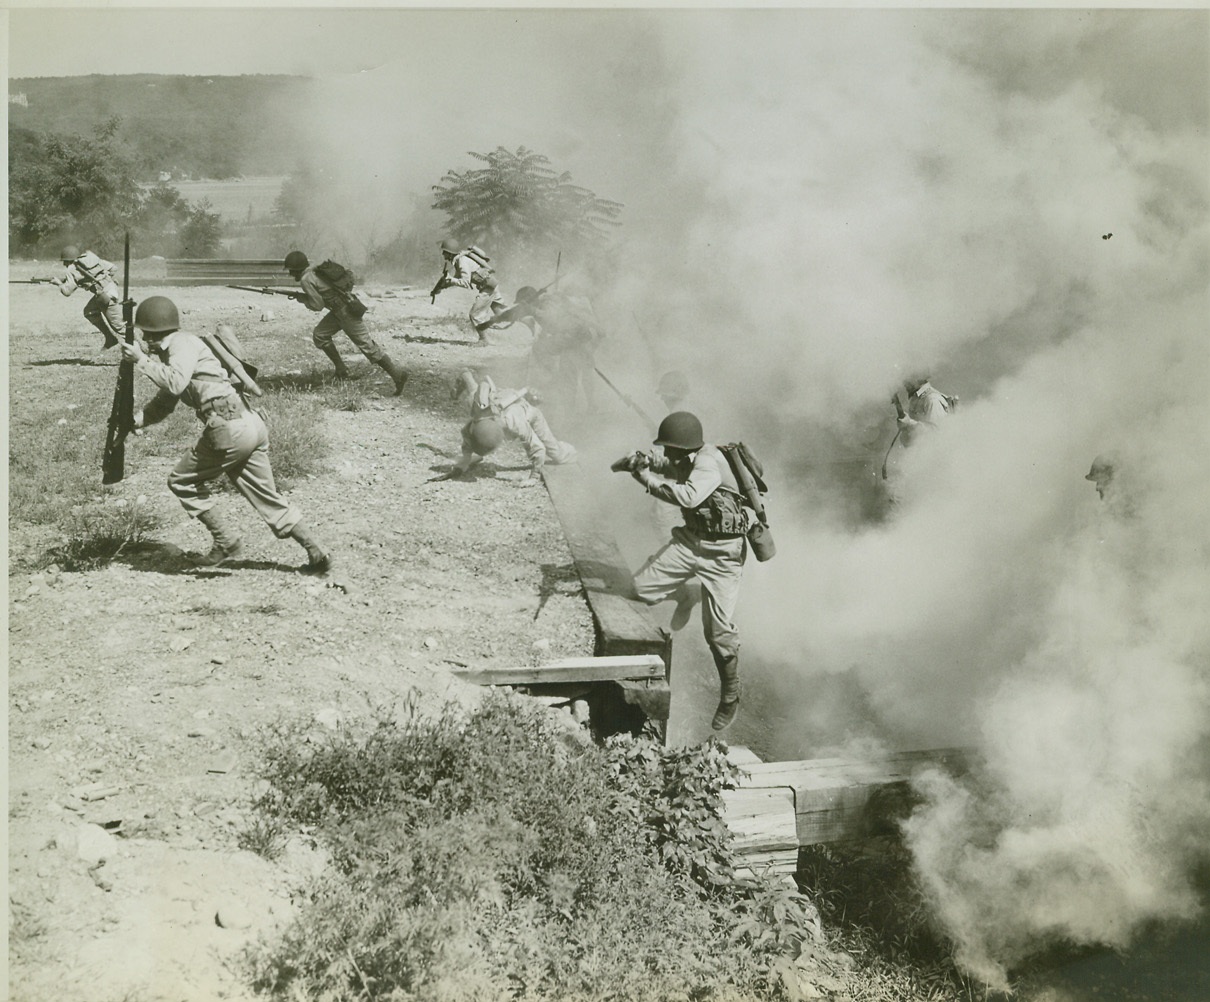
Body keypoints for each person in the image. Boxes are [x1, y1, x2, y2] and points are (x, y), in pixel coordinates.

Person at [119, 295, 331, 572]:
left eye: (147, 336)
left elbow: (174, 383)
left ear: (151, 333)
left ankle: (226, 542)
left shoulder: (180, 345)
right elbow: (166, 401)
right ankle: (317, 552)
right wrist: (137, 421)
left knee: (181, 481)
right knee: (267, 496)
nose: (146, 342)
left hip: (228, 428)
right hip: (249, 423)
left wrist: (141, 361)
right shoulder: (182, 347)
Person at [622, 411, 751, 731]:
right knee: (640, 590)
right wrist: (647, 459)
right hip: (692, 541)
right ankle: (690, 593)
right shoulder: (690, 456)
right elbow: (672, 465)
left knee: (719, 635)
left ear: (683, 447)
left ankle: (731, 694)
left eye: (669, 448)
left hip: (724, 554)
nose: (667, 453)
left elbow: (689, 495)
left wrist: (645, 479)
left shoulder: (707, 463)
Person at [284, 250, 408, 394]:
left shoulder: (306, 279)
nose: (291, 274)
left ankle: (397, 376)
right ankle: (341, 370)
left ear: (297, 269)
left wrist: (303, 300)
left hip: (345, 312)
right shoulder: (314, 271)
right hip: (340, 310)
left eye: (291, 271)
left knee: (367, 345)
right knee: (320, 335)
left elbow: (317, 305)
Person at [448, 369, 577, 479]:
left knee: (556, 454)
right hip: (499, 397)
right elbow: (472, 384)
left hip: (527, 412)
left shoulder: (514, 422)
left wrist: (534, 477)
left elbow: (538, 449)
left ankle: (577, 453)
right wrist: (463, 464)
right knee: (472, 390)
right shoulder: (477, 409)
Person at [508, 285, 604, 417]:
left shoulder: (547, 303)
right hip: (574, 339)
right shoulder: (545, 303)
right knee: (570, 374)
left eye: (524, 303)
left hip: (582, 337)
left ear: (529, 300)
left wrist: (532, 310)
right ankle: (572, 410)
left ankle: (589, 406)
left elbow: (553, 318)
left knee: (578, 372)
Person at [50, 244, 124, 349]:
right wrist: (104, 280)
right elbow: (113, 268)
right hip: (110, 290)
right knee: (89, 311)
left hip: (105, 295)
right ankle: (110, 338)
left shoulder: (72, 269)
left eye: (65, 261)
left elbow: (67, 292)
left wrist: (58, 283)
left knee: (119, 327)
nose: (64, 264)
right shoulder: (91, 260)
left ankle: (142, 348)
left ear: (68, 260)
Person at [431, 239, 501, 341]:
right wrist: (442, 286)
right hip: (491, 285)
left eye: (445, 252)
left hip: (487, 288)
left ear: (450, 253)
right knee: (502, 313)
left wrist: (450, 279)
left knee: (474, 314)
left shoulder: (462, 262)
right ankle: (525, 317)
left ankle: (484, 340)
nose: (443, 254)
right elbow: (456, 279)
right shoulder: (459, 260)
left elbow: (465, 283)